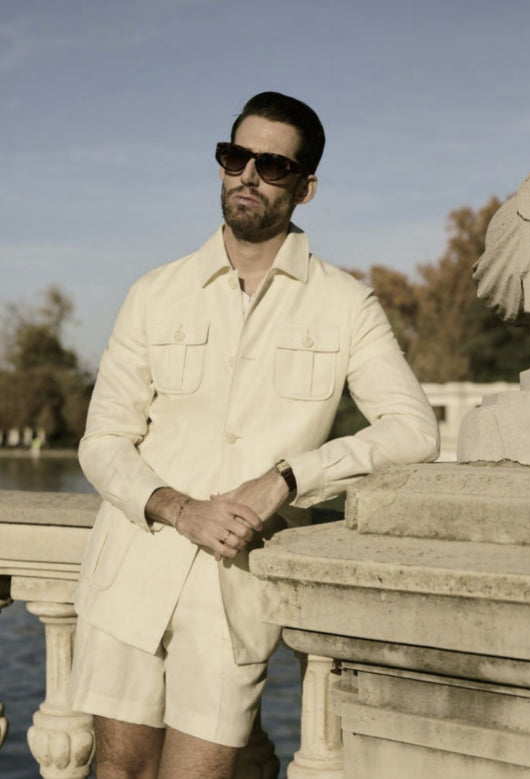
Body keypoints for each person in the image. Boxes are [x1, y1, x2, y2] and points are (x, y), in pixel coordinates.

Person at [68, 91, 439, 779]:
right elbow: (104, 440)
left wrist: (288, 477)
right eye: (235, 157)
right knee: (118, 771)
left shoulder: (343, 303)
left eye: (271, 165)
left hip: (233, 590)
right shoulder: (155, 291)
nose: (247, 175)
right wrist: (181, 507)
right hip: (132, 566)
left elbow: (414, 429)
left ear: (305, 187)